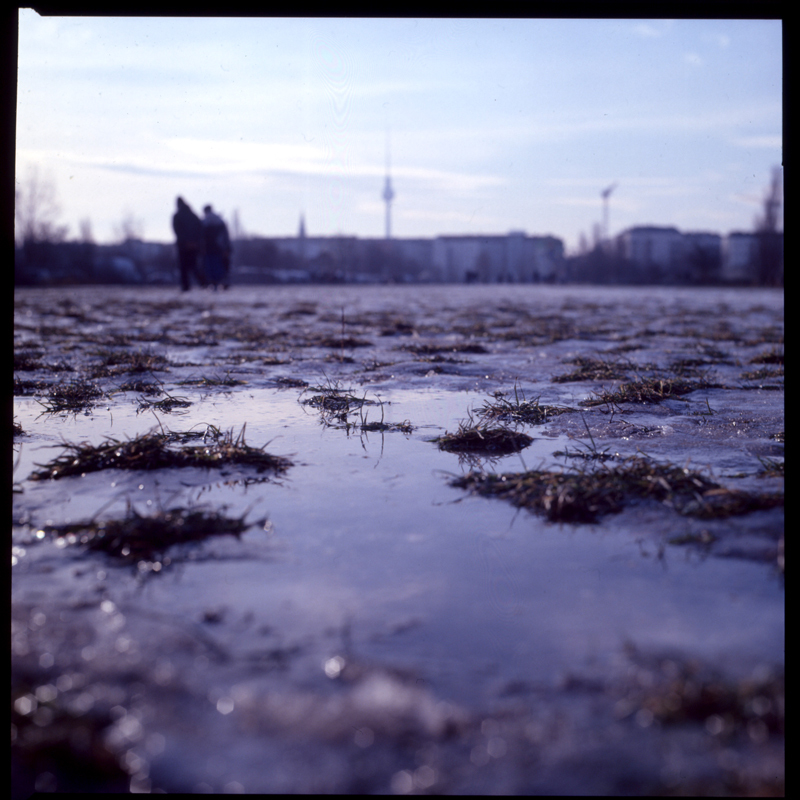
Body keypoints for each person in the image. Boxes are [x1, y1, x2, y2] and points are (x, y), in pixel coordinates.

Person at [172, 197, 206, 291]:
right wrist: (195, 242)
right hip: (194, 245)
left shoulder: (177, 216)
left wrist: (185, 242)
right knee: (194, 265)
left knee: (183, 267)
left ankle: (186, 286)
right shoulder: (194, 215)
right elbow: (200, 230)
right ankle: (203, 282)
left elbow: (177, 231)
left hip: (183, 245)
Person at [202, 205, 232, 290]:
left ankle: (213, 283)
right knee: (221, 265)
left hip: (208, 248)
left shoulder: (204, 222)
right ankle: (223, 282)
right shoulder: (220, 221)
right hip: (220, 247)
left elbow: (201, 237)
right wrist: (227, 247)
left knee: (211, 266)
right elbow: (225, 235)